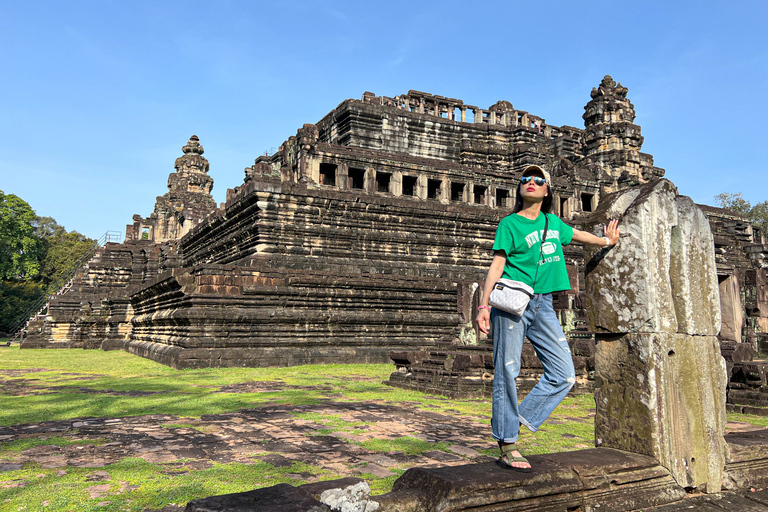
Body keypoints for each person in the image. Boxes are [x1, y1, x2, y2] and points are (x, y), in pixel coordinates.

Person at [476, 164, 619, 472]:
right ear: (519, 189)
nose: (530, 182)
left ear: (547, 190)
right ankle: (508, 444)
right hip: (512, 305)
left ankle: (516, 419)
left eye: (538, 180)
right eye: (525, 179)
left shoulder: (553, 222)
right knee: (507, 371)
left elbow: (579, 235)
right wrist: (483, 306)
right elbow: (497, 265)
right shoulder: (510, 224)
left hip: (543, 305)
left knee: (564, 373)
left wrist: (607, 242)